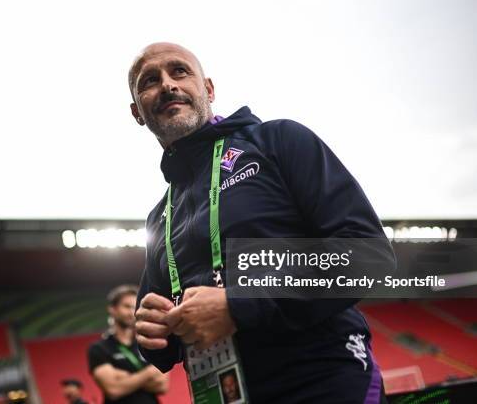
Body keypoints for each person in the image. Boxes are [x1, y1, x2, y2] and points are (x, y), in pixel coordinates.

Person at [129, 42, 395, 403]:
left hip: (322, 384)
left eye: (179, 71)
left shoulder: (277, 141)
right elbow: (160, 340)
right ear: (138, 112)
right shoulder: (160, 217)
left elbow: (368, 254)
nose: (167, 85)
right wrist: (151, 333)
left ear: (207, 89)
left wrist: (238, 305)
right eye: (149, 80)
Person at [88, 285, 169, 403]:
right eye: (126, 306)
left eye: (134, 307)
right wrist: (149, 372)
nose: (131, 312)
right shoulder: (99, 348)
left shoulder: (148, 342)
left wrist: (124, 378)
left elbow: (162, 386)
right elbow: (113, 390)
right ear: (112, 309)